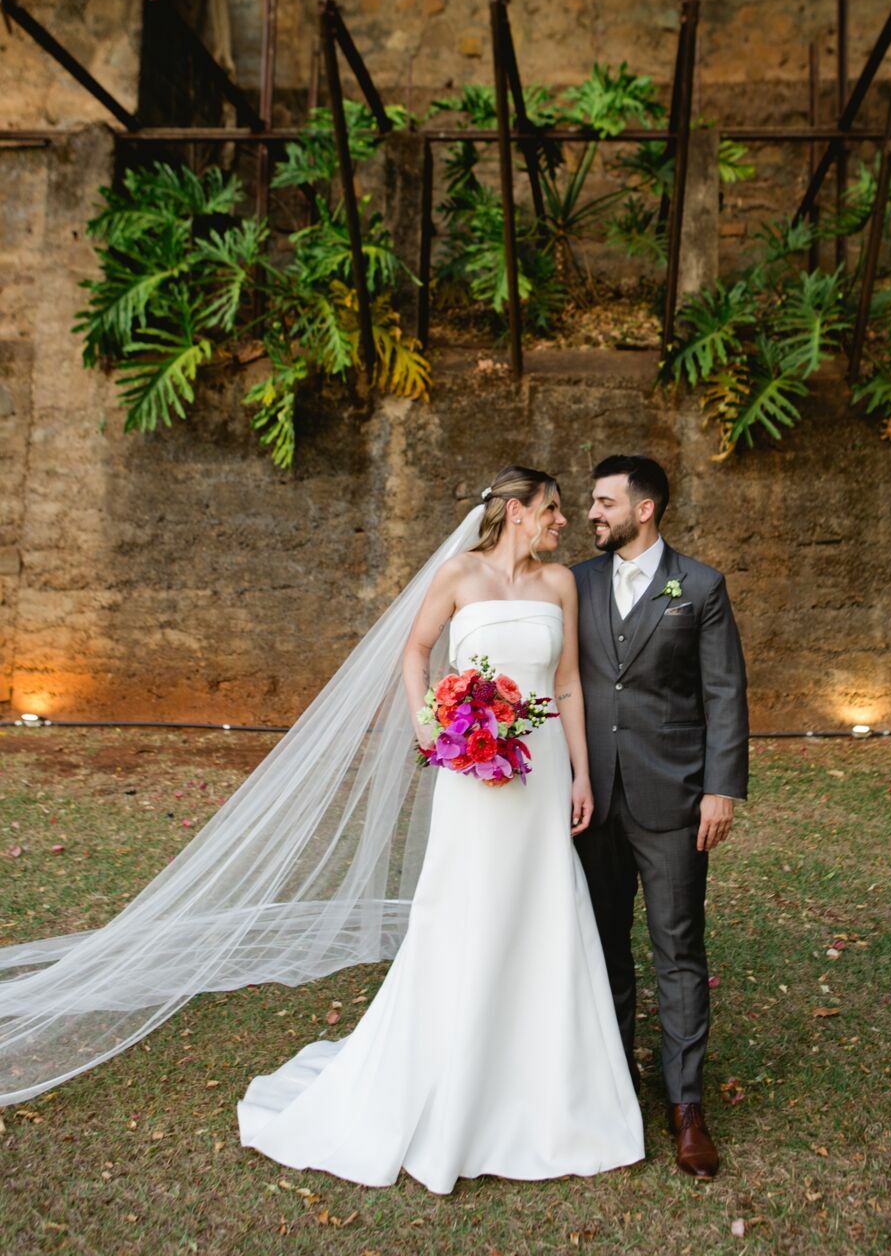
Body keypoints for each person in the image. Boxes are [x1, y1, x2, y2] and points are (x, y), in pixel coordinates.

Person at [237, 465, 644, 1192]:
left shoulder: (559, 586)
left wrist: (581, 773)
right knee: (467, 905)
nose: (562, 523)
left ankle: (545, 1085)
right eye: (552, 510)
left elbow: (570, 683)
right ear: (517, 512)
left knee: (542, 906)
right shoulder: (457, 574)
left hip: (542, 762)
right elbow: (415, 650)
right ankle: (453, 1071)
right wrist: (435, 726)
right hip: (474, 771)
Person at [572, 454, 749, 1180]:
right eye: (589, 502)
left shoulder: (699, 586)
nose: (591, 514)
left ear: (644, 509)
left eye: (604, 503)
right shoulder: (573, 583)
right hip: (589, 800)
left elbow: (724, 692)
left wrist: (720, 788)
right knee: (601, 942)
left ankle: (684, 1106)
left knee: (677, 949)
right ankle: (613, 1087)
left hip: (673, 796)